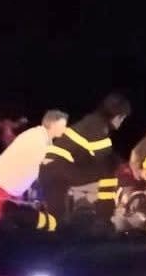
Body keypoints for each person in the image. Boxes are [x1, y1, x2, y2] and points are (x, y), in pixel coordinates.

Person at [38, 92, 130, 230]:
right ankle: (104, 218)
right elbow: (106, 157)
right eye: (123, 118)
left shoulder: (91, 122)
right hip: (59, 168)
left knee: (55, 218)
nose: (121, 122)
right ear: (118, 116)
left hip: (49, 170)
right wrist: (128, 167)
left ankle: (31, 225)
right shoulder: (97, 125)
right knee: (109, 170)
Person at [0, 110, 69, 221]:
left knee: (14, 221)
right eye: (62, 125)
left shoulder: (43, 137)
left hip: (15, 187)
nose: (65, 129)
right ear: (52, 124)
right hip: (3, 183)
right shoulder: (37, 138)